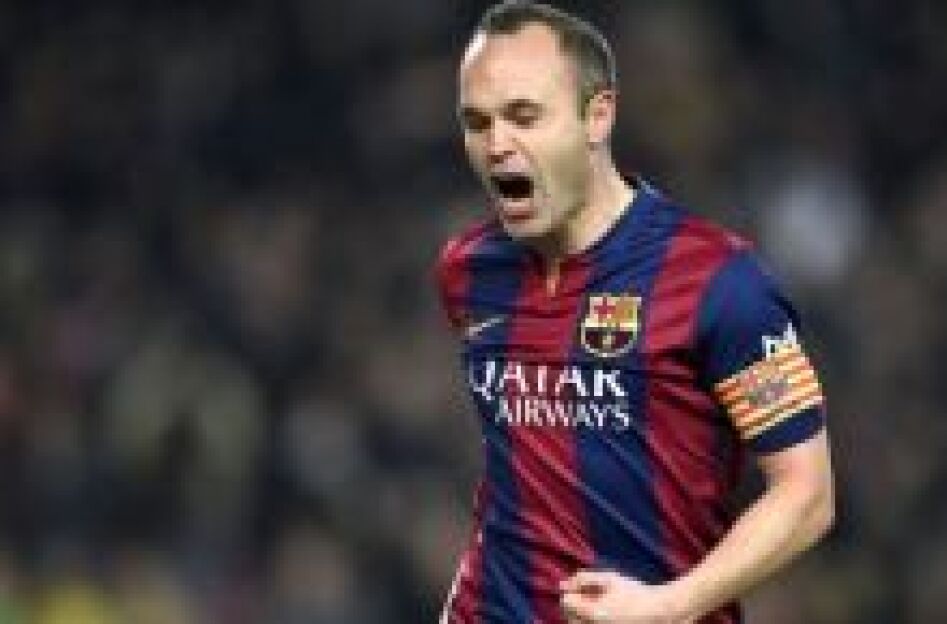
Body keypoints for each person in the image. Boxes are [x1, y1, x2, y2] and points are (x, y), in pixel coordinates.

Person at [435, 2, 835, 623]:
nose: (496, 145)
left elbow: (807, 495)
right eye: (476, 122)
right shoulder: (468, 270)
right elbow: (518, 471)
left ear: (598, 116)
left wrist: (671, 605)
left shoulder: (720, 282)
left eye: (523, 116)